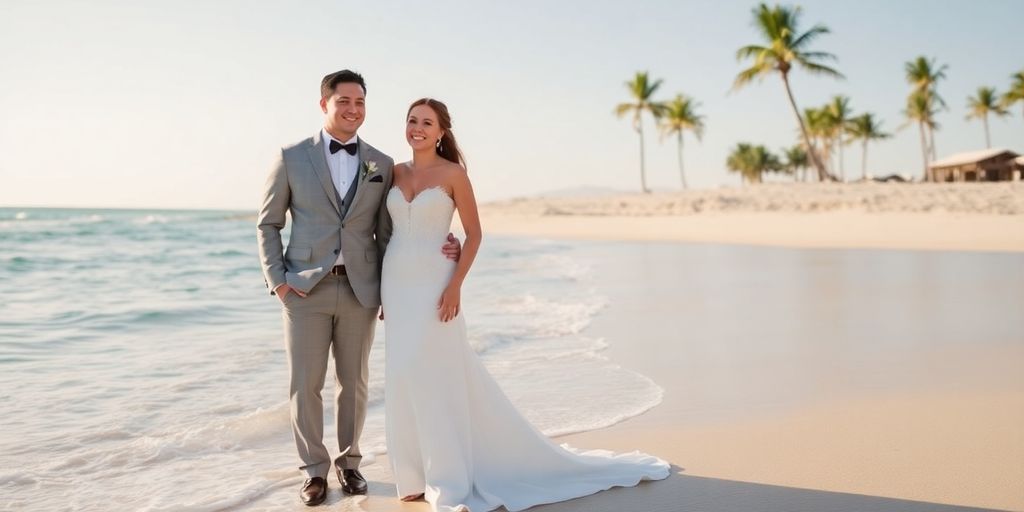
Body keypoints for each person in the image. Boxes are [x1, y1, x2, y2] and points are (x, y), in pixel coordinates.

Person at [381, 98, 669, 512]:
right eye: (412, 120)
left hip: (436, 285)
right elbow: (380, 232)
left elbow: (475, 234)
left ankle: (448, 479)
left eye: (427, 123)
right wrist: (377, 290)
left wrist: (456, 283)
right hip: (395, 284)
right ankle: (411, 476)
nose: (418, 128)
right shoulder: (393, 171)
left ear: (442, 132)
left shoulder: (453, 174)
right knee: (402, 373)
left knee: (436, 376)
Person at [256, 70, 461, 507]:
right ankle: (313, 471)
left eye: (360, 102)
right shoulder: (291, 157)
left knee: (355, 382)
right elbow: (268, 223)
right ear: (324, 104)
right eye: (344, 101)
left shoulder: (381, 163)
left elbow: (392, 230)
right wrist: (278, 283)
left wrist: (437, 249)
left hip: (362, 290)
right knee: (305, 384)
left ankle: (349, 464)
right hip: (303, 291)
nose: (353, 109)